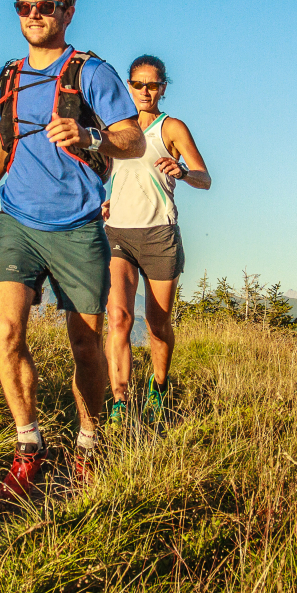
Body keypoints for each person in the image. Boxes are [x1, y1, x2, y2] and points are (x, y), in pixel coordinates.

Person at [0, 0, 144, 496]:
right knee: (6, 332)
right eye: (25, 6)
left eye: (46, 6)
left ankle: (89, 441)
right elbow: (5, 139)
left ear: (68, 11)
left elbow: (131, 139)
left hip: (77, 225)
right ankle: (28, 446)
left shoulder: (92, 73)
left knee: (85, 346)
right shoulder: (7, 77)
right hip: (17, 219)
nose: (35, 16)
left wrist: (90, 138)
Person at [101, 56, 211, 431]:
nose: (145, 92)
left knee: (157, 324)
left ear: (163, 87)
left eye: (153, 85)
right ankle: (119, 402)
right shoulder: (115, 128)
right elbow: (102, 172)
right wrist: (98, 199)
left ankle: (159, 387)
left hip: (159, 234)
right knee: (118, 318)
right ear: (127, 86)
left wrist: (183, 171)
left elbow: (205, 177)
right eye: (138, 84)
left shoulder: (172, 128)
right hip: (116, 232)